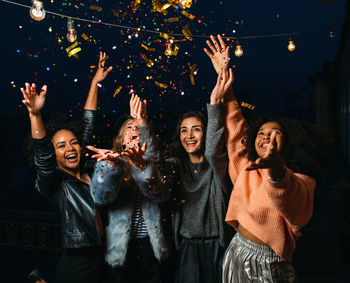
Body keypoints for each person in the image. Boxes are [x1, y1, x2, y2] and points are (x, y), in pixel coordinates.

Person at [205, 35, 330, 282]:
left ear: (289, 143)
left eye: (275, 133)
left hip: (269, 265)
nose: (266, 137)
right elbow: (235, 127)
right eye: (261, 133)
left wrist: (275, 170)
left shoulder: (302, 181)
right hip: (237, 251)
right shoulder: (246, 170)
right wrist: (224, 77)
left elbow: (289, 197)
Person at [21, 52, 112, 283]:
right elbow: (42, 152)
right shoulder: (55, 182)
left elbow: (88, 123)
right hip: (77, 266)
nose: (70, 148)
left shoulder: (91, 170)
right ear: (54, 154)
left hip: (104, 259)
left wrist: (94, 83)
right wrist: (35, 114)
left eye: (73, 143)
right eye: (61, 146)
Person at [161, 67, 234, 283]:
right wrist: (145, 126)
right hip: (187, 246)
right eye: (184, 130)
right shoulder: (175, 165)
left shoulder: (217, 166)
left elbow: (212, 151)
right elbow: (156, 170)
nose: (189, 135)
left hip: (216, 245)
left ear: (206, 132)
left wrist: (214, 105)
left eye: (196, 129)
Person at [88, 93, 170, 283]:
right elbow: (100, 198)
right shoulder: (111, 161)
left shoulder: (153, 163)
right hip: (120, 246)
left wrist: (141, 165)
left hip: (150, 244)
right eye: (129, 128)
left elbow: (160, 193)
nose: (135, 130)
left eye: (138, 128)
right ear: (122, 141)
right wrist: (111, 167)